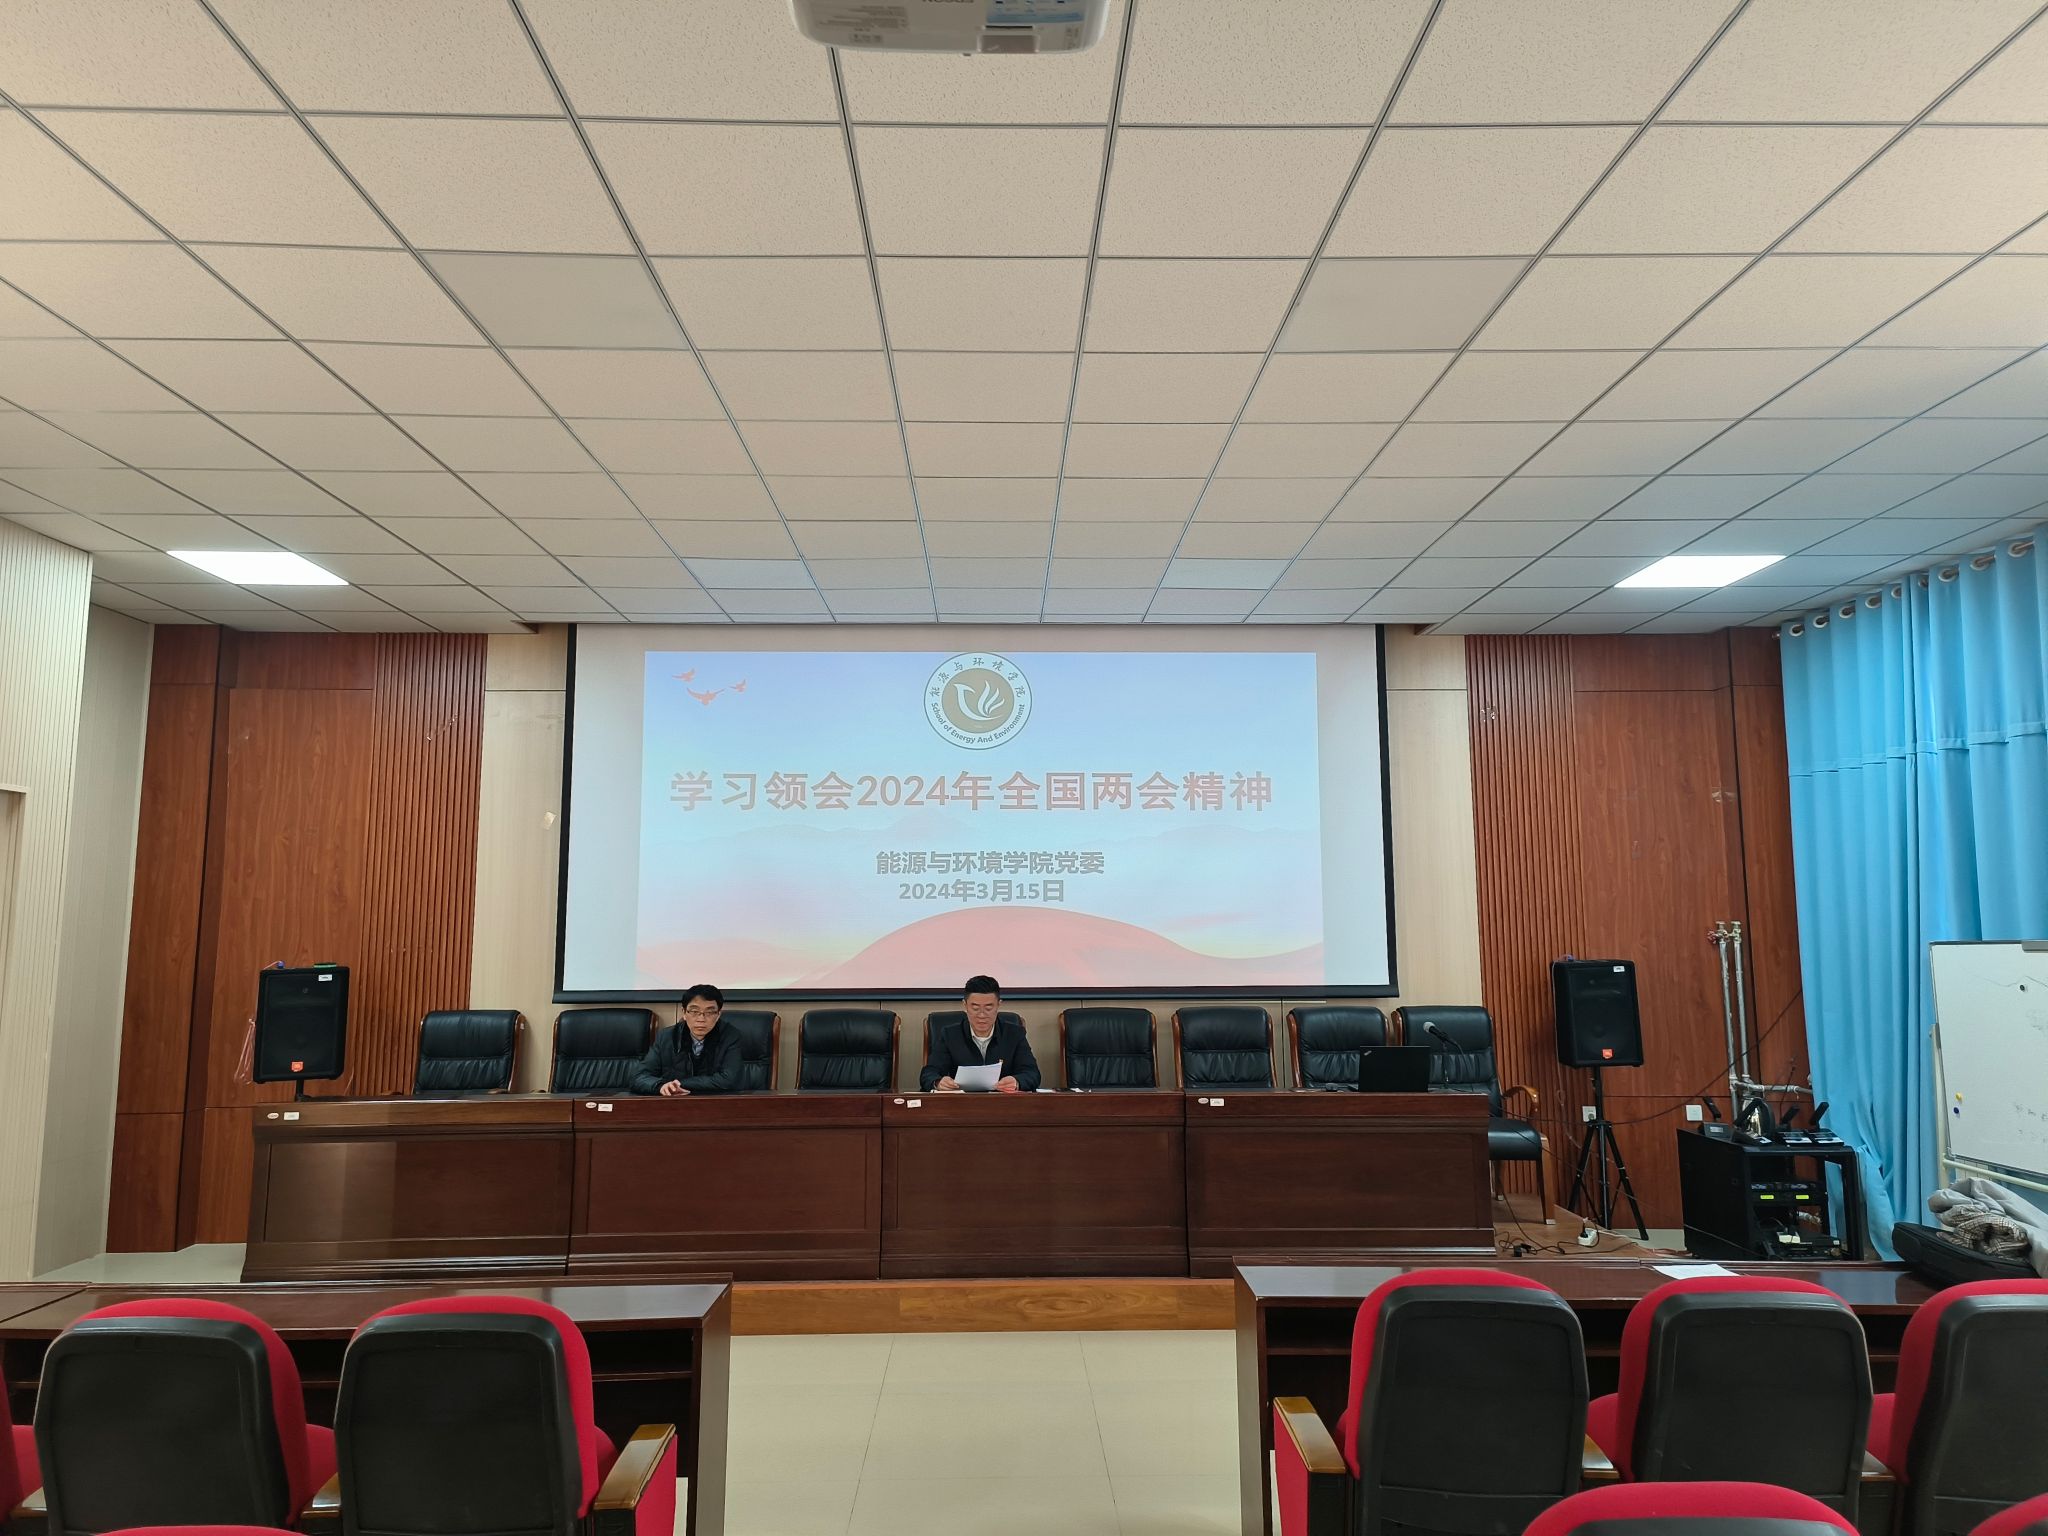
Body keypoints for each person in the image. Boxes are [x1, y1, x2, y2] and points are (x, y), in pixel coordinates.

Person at [922, 975, 1040, 1093]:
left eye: (988, 1008)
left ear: (998, 1005)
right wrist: (938, 1082)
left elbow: (1032, 1074)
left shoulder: (1014, 1034)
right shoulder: (950, 1035)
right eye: (975, 1008)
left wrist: (1017, 1082)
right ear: (965, 1005)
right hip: (962, 1101)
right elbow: (929, 1074)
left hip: (1003, 1101)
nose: (982, 1015)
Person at [631, 982, 744, 1095]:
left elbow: (729, 1080)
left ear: (718, 1014)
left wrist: (678, 1084)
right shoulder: (666, 1037)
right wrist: (660, 1086)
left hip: (714, 1101)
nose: (701, 1019)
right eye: (694, 1012)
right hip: (675, 1102)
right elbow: (639, 1078)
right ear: (684, 1013)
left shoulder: (730, 1036)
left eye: (709, 1012)